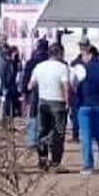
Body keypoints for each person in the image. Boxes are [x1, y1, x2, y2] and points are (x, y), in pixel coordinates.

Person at [28, 42, 70, 172]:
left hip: (43, 101)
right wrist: (68, 102)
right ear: (59, 53)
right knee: (58, 133)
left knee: (43, 131)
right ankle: (56, 162)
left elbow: (30, 85)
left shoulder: (39, 67)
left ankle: (42, 159)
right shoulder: (62, 67)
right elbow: (65, 86)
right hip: (58, 101)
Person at [70, 43, 99, 174]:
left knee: (86, 136)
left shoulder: (82, 69)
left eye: (83, 55)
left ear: (89, 54)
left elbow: (75, 86)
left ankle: (88, 165)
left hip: (84, 104)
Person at [0, 46, 23, 122]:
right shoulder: (6, 63)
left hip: (14, 85)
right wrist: (3, 87)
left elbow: (19, 73)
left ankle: (12, 116)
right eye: (15, 54)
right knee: (8, 102)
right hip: (8, 85)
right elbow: (3, 75)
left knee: (13, 102)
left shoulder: (16, 63)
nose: (16, 56)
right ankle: (7, 118)